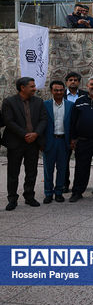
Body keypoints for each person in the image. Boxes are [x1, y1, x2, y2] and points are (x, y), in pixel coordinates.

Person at [3, 77, 48, 210]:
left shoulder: (39, 102)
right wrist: (25, 135)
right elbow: (9, 121)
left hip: (33, 143)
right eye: (32, 86)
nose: (35, 89)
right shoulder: (9, 102)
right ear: (23, 88)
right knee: (13, 172)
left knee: (31, 171)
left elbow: (43, 120)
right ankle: (12, 199)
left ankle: (29, 196)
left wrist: (35, 134)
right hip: (15, 142)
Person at [42, 80, 73, 204]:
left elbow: (73, 124)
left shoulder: (70, 105)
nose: (59, 92)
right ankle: (48, 193)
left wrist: (72, 140)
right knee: (48, 169)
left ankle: (59, 192)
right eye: (56, 90)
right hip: (50, 141)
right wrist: (41, 142)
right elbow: (41, 124)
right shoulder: (45, 105)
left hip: (63, 141)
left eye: (61, 90)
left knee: (62, 168)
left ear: (64, 90)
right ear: (51, 91)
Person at [63, 71, 87, 193]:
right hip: (65, 131)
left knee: (81, 162)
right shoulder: (60, 95)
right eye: (70, 80)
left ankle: (79, 186)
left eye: (75, 80)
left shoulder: (85, 95)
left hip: (80, 132)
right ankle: (64, 184)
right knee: (64, 161)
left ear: (79, 82)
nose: (73, 82)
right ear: (66, 82)